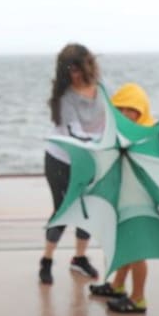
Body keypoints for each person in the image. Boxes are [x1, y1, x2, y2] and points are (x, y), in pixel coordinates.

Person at [89, 82, 155, 314]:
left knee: (136, 250)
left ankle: (138, 299)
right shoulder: (120, 134)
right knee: (125, 245)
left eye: (132, 109)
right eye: (121, 109)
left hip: (142, 202)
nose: (126, 114)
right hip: (126, 199)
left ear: (142, 110)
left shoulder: (148, 135)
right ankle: (117, 286)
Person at [39, 43, 103, 284]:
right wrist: (102, 143)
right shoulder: (65, 98)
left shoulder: (102, 91)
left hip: (90, 160)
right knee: (63, 212)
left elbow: (111, 124)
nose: (74, 75)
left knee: (86, 211)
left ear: (88, 66)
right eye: (69, 71)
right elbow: (74, 133)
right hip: (60, 160)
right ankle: (46, 260)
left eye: (78, 69)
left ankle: (79, 259)